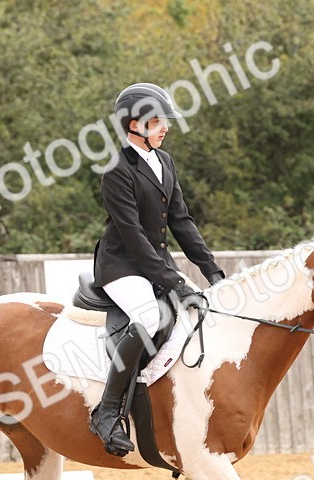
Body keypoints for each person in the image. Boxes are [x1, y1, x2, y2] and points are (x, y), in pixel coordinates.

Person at [88, 82, 226, 457]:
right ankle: (106, 411)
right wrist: (175, 282)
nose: (165, 127)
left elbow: (181, 221)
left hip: (154, 265)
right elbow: (133, 235)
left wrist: (211, 270)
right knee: (149, 319)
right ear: (133, 125)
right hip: (121, 265)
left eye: (164, 120)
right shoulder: (117, 170)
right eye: (156, 120)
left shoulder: (164, 162)